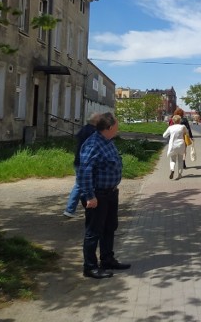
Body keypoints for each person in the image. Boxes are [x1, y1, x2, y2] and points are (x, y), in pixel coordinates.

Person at [78, 112, 130, 279]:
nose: (118, 129)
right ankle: (90, 267)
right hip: (97, 196)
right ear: (108, 127)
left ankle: (107, 259)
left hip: (110, 193)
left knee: (110, 227)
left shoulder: (108, 141)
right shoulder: (93, 144)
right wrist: (89, 196)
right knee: (94, 231)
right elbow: (84, 173)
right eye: (116, 126)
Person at [63, 113, 101, 218]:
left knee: (82, 185)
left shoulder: (85, 129)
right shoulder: (92, 132)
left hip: (80, 161)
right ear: (96, 121)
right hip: (83, 163)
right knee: (80, 185)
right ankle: (69, 210)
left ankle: (86, 207)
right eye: (100, 120)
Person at [163, 115, 188, 180]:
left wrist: (171, 135)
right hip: (181, 144)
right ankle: (179, 174)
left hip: (172, 145)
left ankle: (172, 169)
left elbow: (164, 136)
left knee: (172, 160)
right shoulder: (182, 127)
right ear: (180, 120)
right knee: (180, 160)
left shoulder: (170, 127)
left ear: (173, 121)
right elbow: (187, 133)